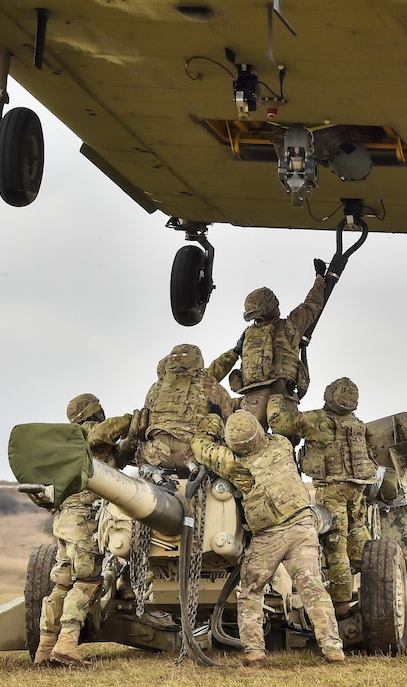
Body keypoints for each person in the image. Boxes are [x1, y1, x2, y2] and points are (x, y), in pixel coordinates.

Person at [191, 410, 345, 666]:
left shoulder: (235, 464)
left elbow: (200, 447)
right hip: (303, 527)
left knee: (251, 592)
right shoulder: (281, 445)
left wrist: (213, 420)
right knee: (313, 588)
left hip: (269, 537)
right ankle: (333, 649)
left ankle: (254, 652)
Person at [34, 393, 134, 668]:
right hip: (85, 522)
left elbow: (117, 459)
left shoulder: (67, 446)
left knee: (61, 585)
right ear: (95, 412)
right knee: (87, 583)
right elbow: (110, 429)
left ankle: (44, 649)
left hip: (64, 521)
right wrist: (136, 418)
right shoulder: (88, 433)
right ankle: (67, 644)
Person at [268, 377, 377, 614]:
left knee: (335, 542)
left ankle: (341, 603)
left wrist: (276, 397)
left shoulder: (317, 420)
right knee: (357, 530)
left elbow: (279, 423)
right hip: (357, 487)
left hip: (333, 489)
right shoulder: (357, 424)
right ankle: (369, 581)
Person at [208, 261, 328, 430]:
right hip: (281, 397)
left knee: (248, 442)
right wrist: (320, 279)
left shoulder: (248, 335)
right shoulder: (289, 327)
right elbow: (312, 305)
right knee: (284, 444)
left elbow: (225, 363)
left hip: (252, 400)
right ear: (273, 308)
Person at [138, 343, 234, 474]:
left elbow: (144, 419)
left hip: (155, 453)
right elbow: (230, 419)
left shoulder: (156, 388)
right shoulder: (208, 383)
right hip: (193, 454)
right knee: (216, 421)